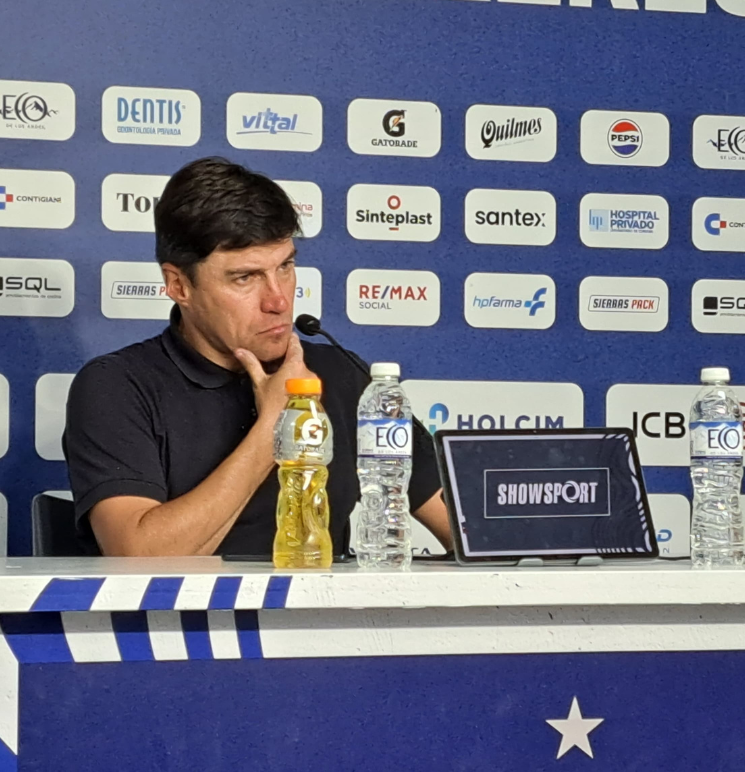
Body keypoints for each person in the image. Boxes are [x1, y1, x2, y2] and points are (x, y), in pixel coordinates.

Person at [63, 157, 453, 557]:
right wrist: (276, 426)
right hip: (190, 619)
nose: (279, 300)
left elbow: (468, 528)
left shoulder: (340, 372)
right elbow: (138, 558)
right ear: (179, 285)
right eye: (245, 277)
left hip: (327, 616)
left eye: (285, 266)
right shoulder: (117, 386)